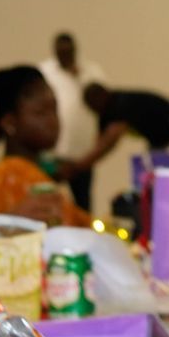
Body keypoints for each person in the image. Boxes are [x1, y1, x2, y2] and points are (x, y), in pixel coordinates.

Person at [0, 66, 93, 227]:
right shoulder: (9, 174)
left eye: (54, 110)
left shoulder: (42, 171)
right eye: (41, 113)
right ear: (9, 122)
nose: (53, 121)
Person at [38, 32, 106, 211]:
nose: (64, 55)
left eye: (68, 51)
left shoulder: (92, 72)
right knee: (47, 205)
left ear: (75, 50)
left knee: (83, 207)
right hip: (52, 156)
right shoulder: (44, 72)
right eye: (60, 52)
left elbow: (104, 109)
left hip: (83, 156)